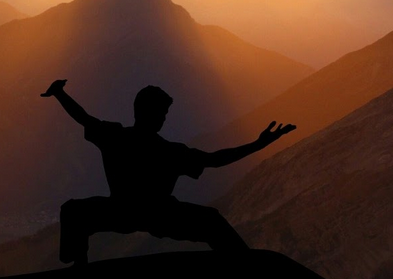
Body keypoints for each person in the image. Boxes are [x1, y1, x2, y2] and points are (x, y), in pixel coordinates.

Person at [42, 79, 295, 266]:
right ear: (150, 114)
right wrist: (259, 145)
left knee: (74, 210)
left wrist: (60, 94)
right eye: (161, 113)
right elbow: (215, 160)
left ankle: (78, 264)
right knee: (212, 221)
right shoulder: (169, 151)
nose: (163, 118)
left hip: (121, 210)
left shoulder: (115, 136)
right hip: (160, 213)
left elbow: (84, 118)